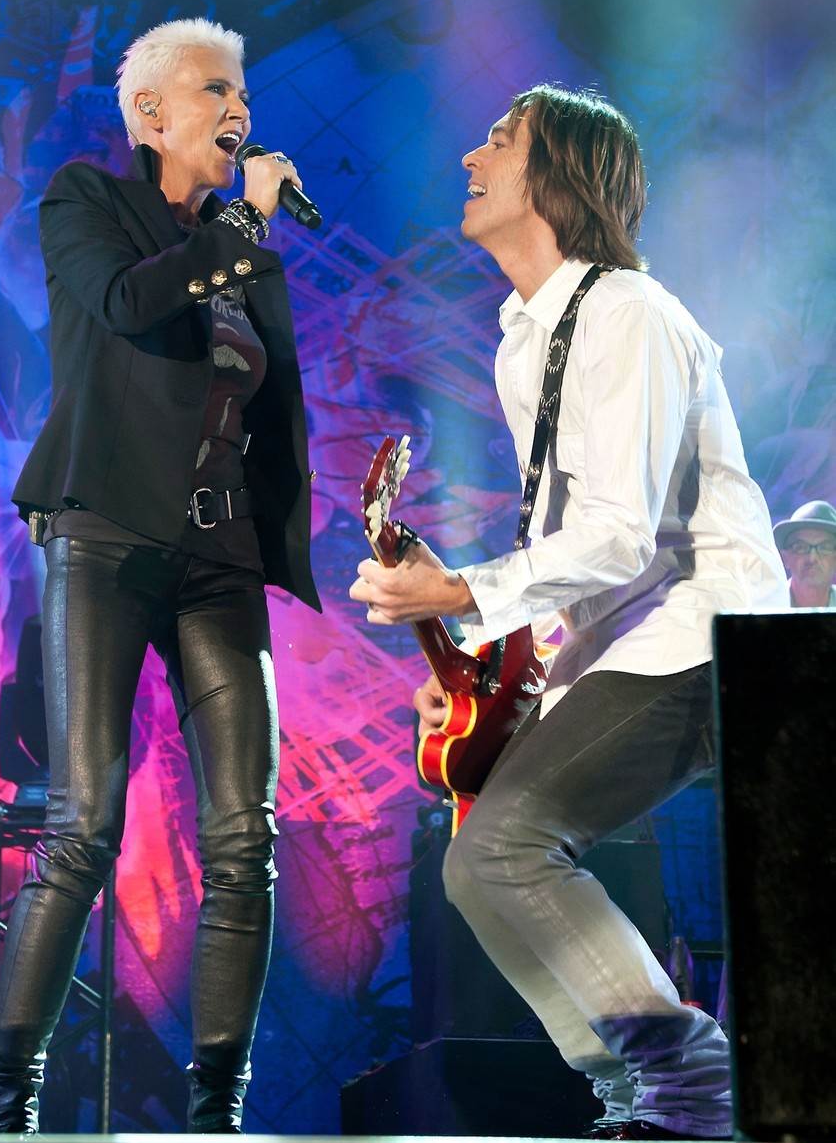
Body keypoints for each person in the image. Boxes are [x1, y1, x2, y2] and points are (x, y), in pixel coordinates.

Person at [350, 85, 788, 1139]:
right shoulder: (522, 340)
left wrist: (459, 591)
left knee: (507, 845)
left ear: (557, 175)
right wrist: (479, 665)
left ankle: (690, 1083)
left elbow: (622, 536)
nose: (470, 155)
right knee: (476, 862)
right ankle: (638, 1093)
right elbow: (578, 550)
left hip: (699, 633)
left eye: (499, 140)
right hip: (618, 641)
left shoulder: (629, 313)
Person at [0, 17, 320, 1134]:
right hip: (107, 534)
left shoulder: (240, 245)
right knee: (86, 822)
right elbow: (128, 305)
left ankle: (217, 1112)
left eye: (245, 93)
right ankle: (6, 1104)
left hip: (217, 552)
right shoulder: (87, 200)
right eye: (217, 89)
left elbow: (260, 403)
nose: (240, 110)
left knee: (245, 835)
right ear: (152, 113)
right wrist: (242, 222)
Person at [773, 500, 836, 607]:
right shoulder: (765, 607)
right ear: (785, 558)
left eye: (824, 547)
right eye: (801, 547)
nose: (812, 558)